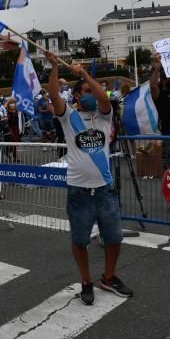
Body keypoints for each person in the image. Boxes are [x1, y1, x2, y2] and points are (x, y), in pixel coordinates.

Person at [45, 52, 133, 306]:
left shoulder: (105, 115)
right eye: (86, 91)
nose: (92, 94)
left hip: (105, 189)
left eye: (93, 90)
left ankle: (109, 277)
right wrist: (53, 68)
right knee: (80, 240)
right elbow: (53, 96)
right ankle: (86, 281)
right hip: (79, 191)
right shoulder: (69, 117)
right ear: (75, 97)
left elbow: (104, 97)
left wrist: (84, 74)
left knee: (114, 237)